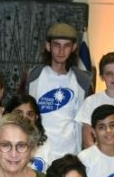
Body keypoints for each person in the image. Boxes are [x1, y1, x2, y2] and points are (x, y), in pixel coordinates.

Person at [21, 22, 92, 162]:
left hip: (70, 156)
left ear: (73, 48)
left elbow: (87, 122)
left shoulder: (82, 81)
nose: (61, 51)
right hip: (37, 155)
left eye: (66, 46)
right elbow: (20, 114)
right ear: (48, 46)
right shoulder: (32, 77)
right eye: (56, 45)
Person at [0, 94, 53, 173]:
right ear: (8, 115)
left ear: (36, 117)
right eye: (18, 113)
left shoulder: (45, 145)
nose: (24, 118)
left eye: (30, 114)